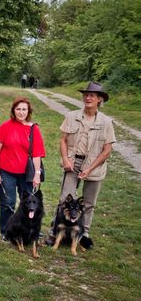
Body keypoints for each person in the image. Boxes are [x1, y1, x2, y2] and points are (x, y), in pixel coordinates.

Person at [45, 82, 115, 248]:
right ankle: (54, 233)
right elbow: (62, 140)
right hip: (73, 162)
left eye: (92, 95)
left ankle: (82, 234)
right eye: (86, 94)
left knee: (89, 203)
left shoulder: (106, 122)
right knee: (64, 199)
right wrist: (66, 159)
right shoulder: (72, 116)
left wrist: (90, 168)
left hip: (95, 165)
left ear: (99, 99)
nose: (88, 97)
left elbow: (107, 150)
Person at [0, 97, 46, 239]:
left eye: (24, 109)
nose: (21, 112)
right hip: (6, 171)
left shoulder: (34, 129)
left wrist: (37, 173)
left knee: (29, 203)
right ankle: (6, 231)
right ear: (13, 110)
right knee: (8, 203)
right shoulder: (6, 126)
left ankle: (30, 229)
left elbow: (37, 154)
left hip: (26, 173)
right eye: (18, 109)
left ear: (28, 111)